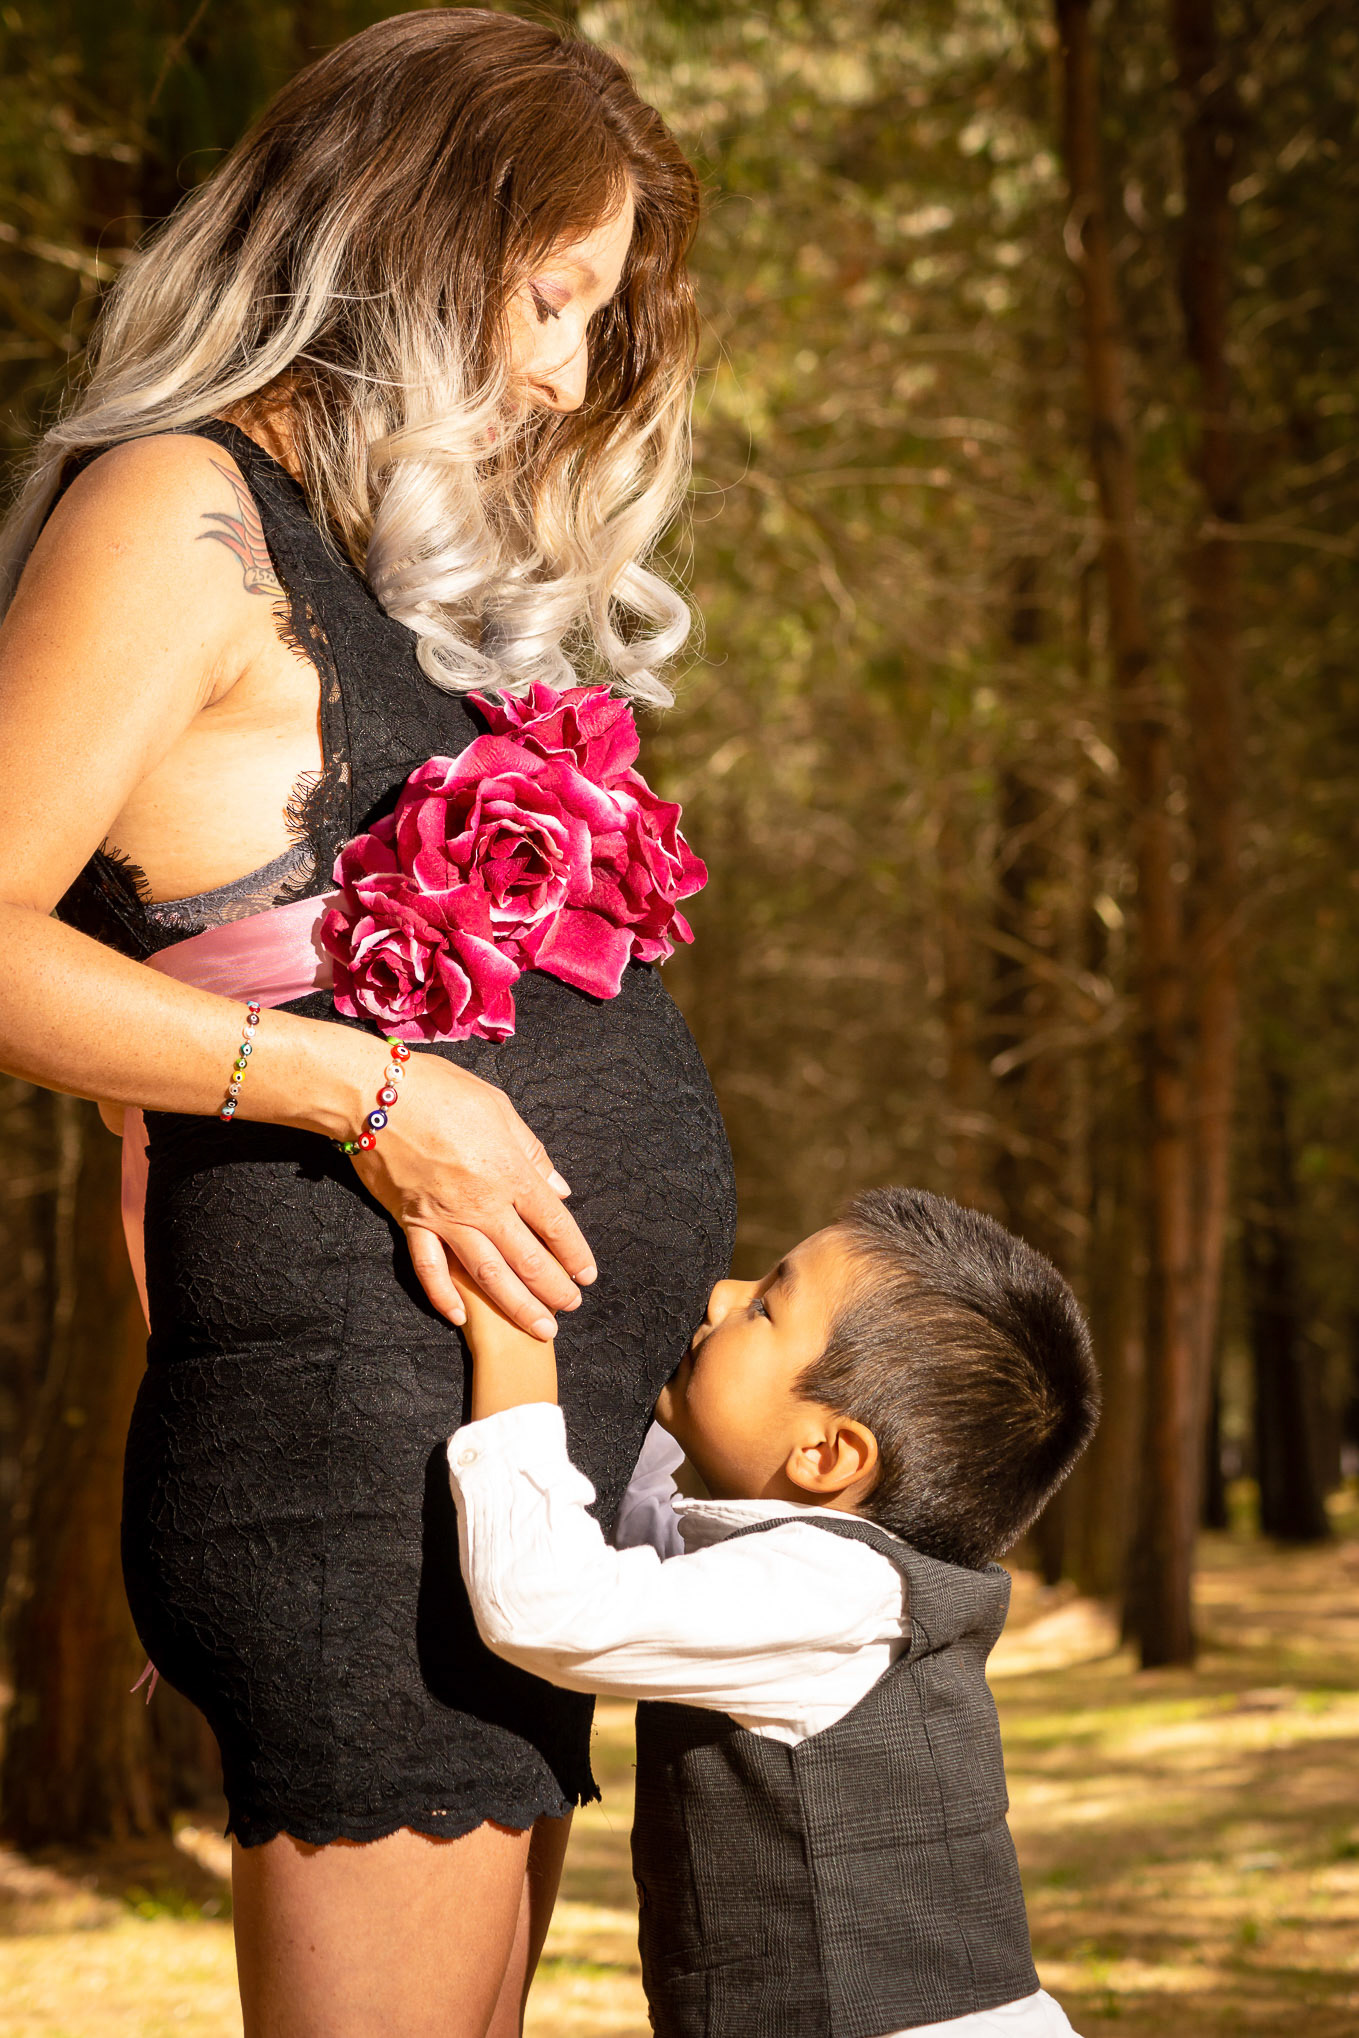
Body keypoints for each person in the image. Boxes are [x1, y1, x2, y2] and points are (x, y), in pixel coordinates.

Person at [0, 13, 736, 2036]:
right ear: (416, 243)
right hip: (354, 1466)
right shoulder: (172, 506)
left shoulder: (366, 569)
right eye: (549, 294)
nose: (561, 369)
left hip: (501, 1455)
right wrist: (372, 1088)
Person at [447, 1186, 1100, 2038]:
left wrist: (516, 1357)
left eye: (762, 1307)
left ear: (827, 1453)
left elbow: (544, 1605)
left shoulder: (829, 1592)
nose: (719, 1296)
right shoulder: (827, 1580)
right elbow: (648, 1548)